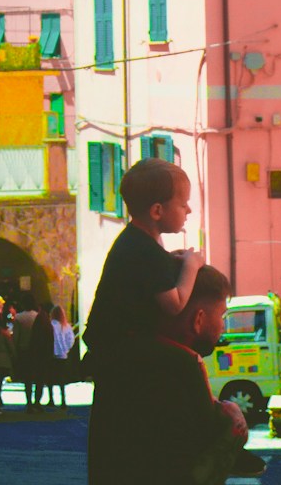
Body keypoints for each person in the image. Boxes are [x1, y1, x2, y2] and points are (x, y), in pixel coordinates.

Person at [85, 159, 205, 481]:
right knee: (188, 363)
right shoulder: (143, 250)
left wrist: (171, 260)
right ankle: (217, 432)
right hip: (124, 348)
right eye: (183, 203)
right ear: (157, 211)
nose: (188, 210)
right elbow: (174, 304)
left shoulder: (137, 243)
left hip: (115, 349)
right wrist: (191, 265)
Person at [88, 265, 260, 485]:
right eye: (221, 316)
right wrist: (233, 430)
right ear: (198, 320)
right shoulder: (171, 376)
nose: (222, 327)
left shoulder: (134, 360)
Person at [17, 299, 54, 412]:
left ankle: (29, 402)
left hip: (25, 350)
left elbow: (16, 337)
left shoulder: (19, 317)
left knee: (27, 379)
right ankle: (37, 401)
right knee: (39, 378)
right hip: (40, 351)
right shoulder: (41, 317)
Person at [45, 306, 75, 409]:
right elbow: (71, 340)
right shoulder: (66, 326)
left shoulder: (50, 325)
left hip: (51, 354)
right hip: (62, 355)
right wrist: (66, 349)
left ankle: (51, 399)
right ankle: (63, 400)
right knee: (61, 378)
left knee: (50, 377)